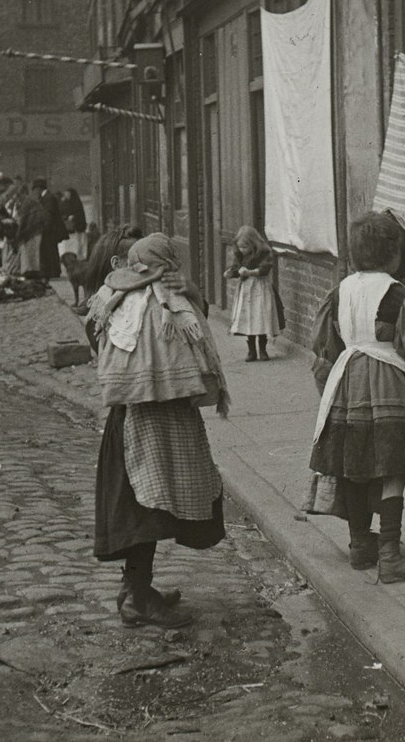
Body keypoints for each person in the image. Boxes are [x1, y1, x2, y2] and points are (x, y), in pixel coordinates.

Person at [85, 231, 229, 629]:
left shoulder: (113, 298)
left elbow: (95, 334)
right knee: (144, 511)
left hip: (131, 416)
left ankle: (137, 588)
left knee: (143, 509)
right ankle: (137, 597)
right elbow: (200, 342)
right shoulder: (163, 303)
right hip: (150, 423)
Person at [306, 211, 405, 582]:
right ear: (393, 254)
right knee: (392, 465)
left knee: (354, 463)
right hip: (389, 381)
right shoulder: (397, 294)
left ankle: (360, 545)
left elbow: (323, 344)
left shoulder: (339, 291)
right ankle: (391, 554)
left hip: (347, 380)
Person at [223, 225, 283, 362]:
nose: (242, 250)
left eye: (245, 247)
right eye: (240, 247)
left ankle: (263, 350)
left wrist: (250, 272)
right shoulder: (240, 255)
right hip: (246, 290)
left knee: (260, 317)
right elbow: (236, 268)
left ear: (253, 243)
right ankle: (251, 351)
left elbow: (265, 269)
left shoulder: (263, 253)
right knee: (249, 318)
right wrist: (230, 273)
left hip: (259, 288)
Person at [34, 178, 68, 280]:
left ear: (39, 188)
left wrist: (43, 227)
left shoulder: (48, 197)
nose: (35, 191)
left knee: (49, 250)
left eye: (36, 189)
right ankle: (52, 271)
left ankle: (52, 272)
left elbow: (49, 214)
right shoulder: (46, 197)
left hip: (50, 230)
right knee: (50, 250)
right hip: (50, 229)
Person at [14, 185, 46, 280]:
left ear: (24, 194)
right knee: (33, 254)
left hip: (32, 231)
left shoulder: (26, 203)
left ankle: (31, 274)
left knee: (30, 254)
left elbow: (23, 220)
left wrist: (19, 233)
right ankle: (33, 273)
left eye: (19, 195)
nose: (19, 197)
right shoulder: (31, 202)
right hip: (36, 230)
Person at [58, 188, 88, 260]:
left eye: (68, 194)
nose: (66, 195)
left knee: (80, 243)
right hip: (71, 229)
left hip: (78, 227)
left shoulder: (77, 204)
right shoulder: (65, 203)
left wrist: (73, 217)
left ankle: (80, 257)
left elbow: (80, 215)